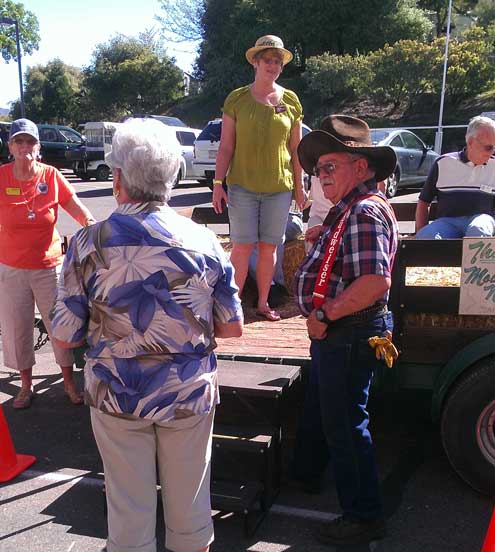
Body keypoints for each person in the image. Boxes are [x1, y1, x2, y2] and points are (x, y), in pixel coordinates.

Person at [50, 118, 243, 552]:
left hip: (117, 393)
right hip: (187, 394)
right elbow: (232, 327)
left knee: (128, 511)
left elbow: (63, 335)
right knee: (191, 511)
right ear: (172, 176)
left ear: (117, 177)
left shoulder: (86, 243)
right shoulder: (205, 241)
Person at [294, 114, 399, 546]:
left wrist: (325, 315)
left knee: (346, 425)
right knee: (334, 414)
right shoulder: (352, 210)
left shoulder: (364, 212)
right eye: (318, 170)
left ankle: (363, 517)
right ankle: (308, 473)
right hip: (346, 331)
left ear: (361, 166)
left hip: (348, 330)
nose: (321, 176)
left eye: (329, 166)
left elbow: (374, 283)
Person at [0, 118, 95, 409]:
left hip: (49, 267)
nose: (24, 147)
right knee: (17, 327)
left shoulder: (51, 176)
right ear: (10, 146)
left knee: (59, 327)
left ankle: (68, 382)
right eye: (19, 141)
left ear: (38, 147)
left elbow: (75, 205)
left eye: (30, 141)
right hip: (12, 267)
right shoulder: (2, 177)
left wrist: (94, 227)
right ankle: (26, 387)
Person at [212, 34, 307, 321]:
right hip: (242, 186)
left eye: (278, 61)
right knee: (241, 247)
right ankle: (234, 306)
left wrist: (300, 187)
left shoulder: (290, 100)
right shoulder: (237, 99)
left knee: (269, 248)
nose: (273, 65)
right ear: (255, 62)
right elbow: (226, 146)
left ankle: (264, 303)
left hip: (279, 187)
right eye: (268, 59)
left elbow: (296, 150)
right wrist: (218, 184)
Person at [415, 115, 495, 239]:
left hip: (482, 220)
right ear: (470, 142)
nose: (492, 152)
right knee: (427, 236)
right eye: (489, 147)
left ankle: (468, 260)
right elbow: (424, 202)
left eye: (494, 147)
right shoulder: (443, 163)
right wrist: (419, 234)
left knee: (478, 230)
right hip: (447, 223)